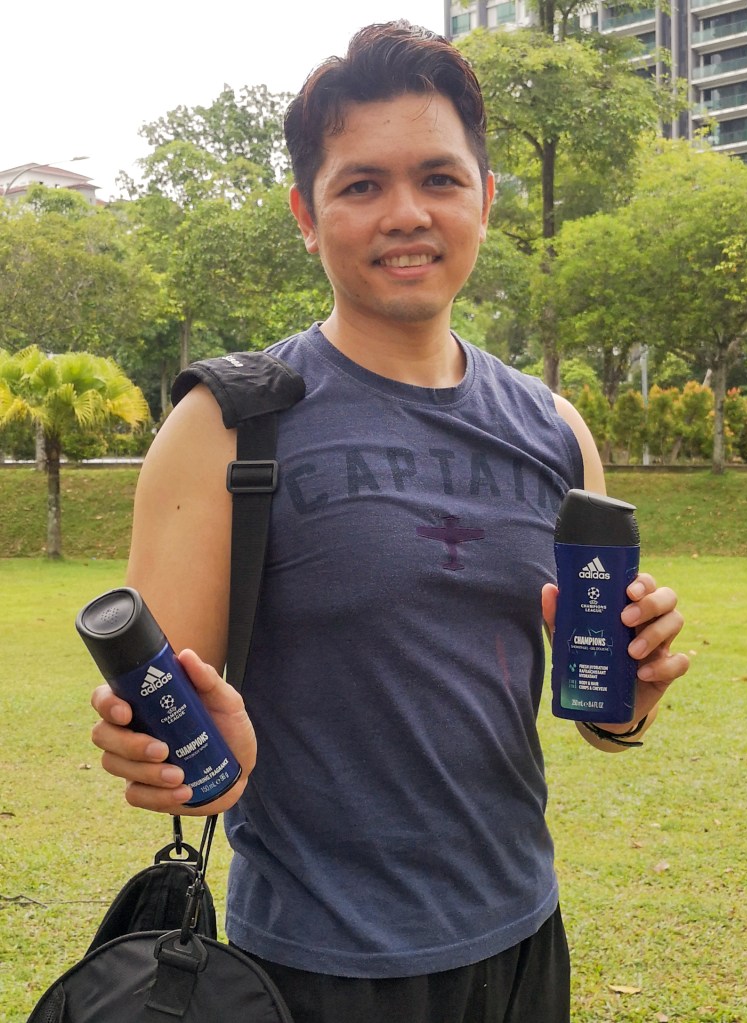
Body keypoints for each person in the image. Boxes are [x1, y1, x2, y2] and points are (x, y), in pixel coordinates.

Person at [91, 21, 689, 1023]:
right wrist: (173, 754)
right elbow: (172, 729)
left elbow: (601, 712)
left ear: (485, 198)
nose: (406, 214)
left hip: (524, 937)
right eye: (362, 185)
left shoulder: (555, 430)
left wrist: (632, 698)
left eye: (439, 179)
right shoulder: (223, 426)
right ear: (306, 214)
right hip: (318, 966)